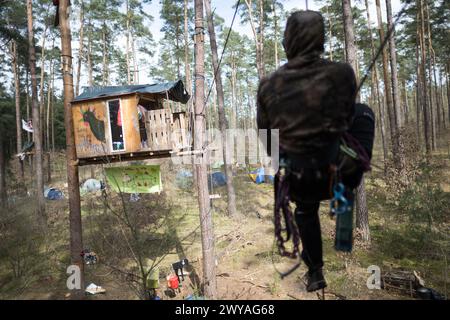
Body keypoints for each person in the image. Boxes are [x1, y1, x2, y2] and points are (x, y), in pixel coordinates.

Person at [257, 11, 375, 292]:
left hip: (300, 178)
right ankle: (347, 185)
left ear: (288, 41)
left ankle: (315, 272)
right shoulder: (342, 73)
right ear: (320, 38)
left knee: (305, 209)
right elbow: (346, 119)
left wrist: (283, 166)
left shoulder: (268, 85)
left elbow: (266, 137)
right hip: (334, 170)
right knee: (363, 113)